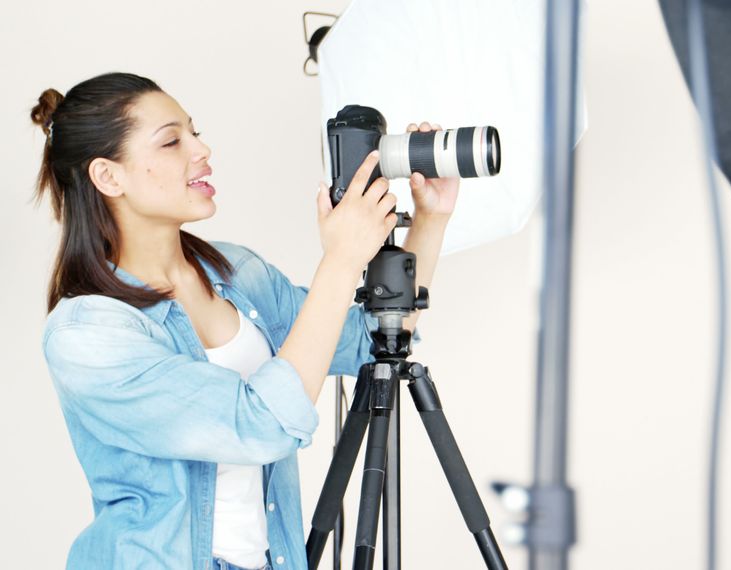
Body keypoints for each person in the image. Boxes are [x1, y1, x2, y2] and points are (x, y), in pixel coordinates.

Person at [32, 72, 457, 570]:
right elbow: (260, 426)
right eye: (172, 141)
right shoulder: (87, 336)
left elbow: (372, 341)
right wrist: (339, 262)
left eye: (196, 131)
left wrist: (430, 221)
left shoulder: (234, 272)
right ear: (108, 177)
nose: (202, 149)